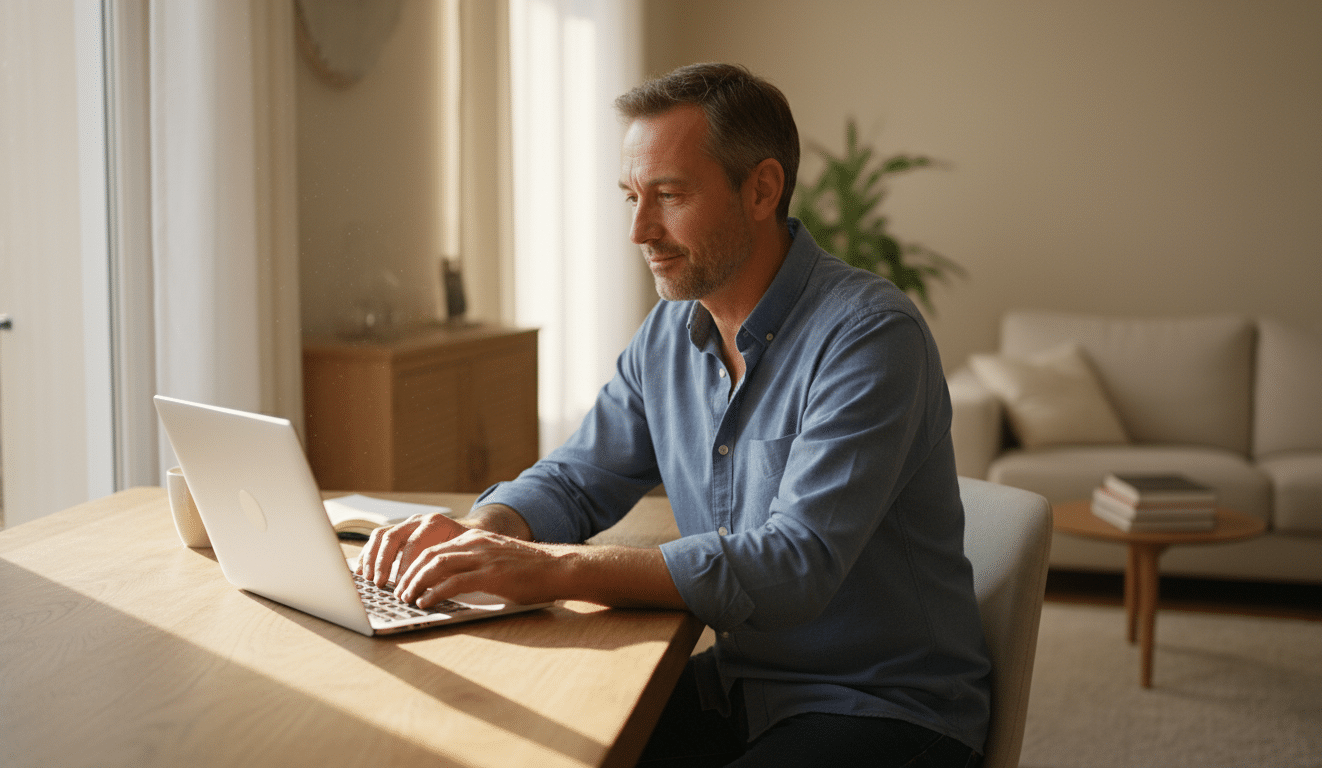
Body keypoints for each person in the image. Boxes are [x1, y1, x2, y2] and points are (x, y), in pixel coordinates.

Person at [360, 62, 990, 767]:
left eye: (669, 195)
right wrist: (483, 535)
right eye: (632, 196)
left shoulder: (869, 336)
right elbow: (576, 479)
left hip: (883, 706)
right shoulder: (668, 335)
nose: (639, 230)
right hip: (743, 687)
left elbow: (795, 564)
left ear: (762, 189)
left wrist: (553, 568)